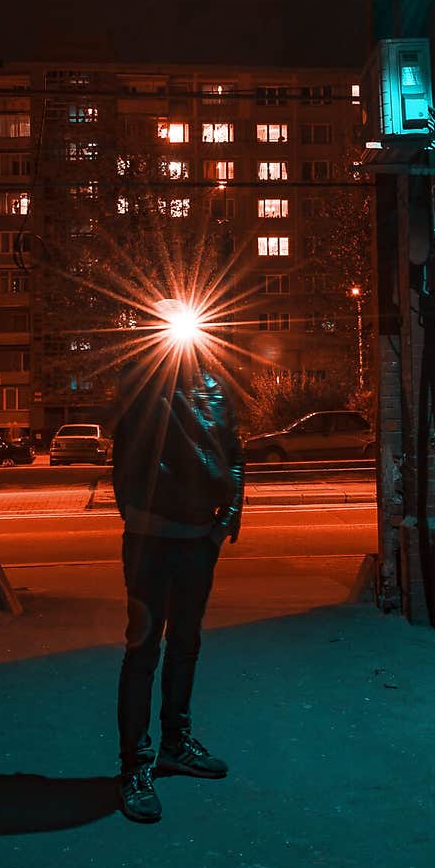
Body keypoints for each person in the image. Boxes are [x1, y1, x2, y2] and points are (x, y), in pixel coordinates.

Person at [112, 300, 245, 823]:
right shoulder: (139, 387)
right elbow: (124, 455)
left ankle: (174, 742)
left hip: (198, 542)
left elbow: (235, 452)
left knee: (186, 644)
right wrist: (140, 519)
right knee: (143, 649)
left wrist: (225, 520)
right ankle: (134, 767)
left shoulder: (215, 387)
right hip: (150, 542)